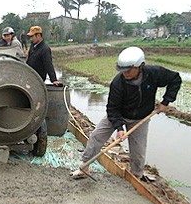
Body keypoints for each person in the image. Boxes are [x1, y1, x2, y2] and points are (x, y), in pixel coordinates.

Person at [71, 47, 182, 181]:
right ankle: (84, 167)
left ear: (140, 66)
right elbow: (112, 108)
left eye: (129, 70)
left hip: (141, 117)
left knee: (138, 151)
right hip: (120, 114)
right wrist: (119, 128)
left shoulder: (154, 73)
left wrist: (165, 101)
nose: (125, 73)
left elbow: (175, 79)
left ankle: (136, 176)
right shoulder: (118, 83)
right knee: (96, 136)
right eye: (122, 70)